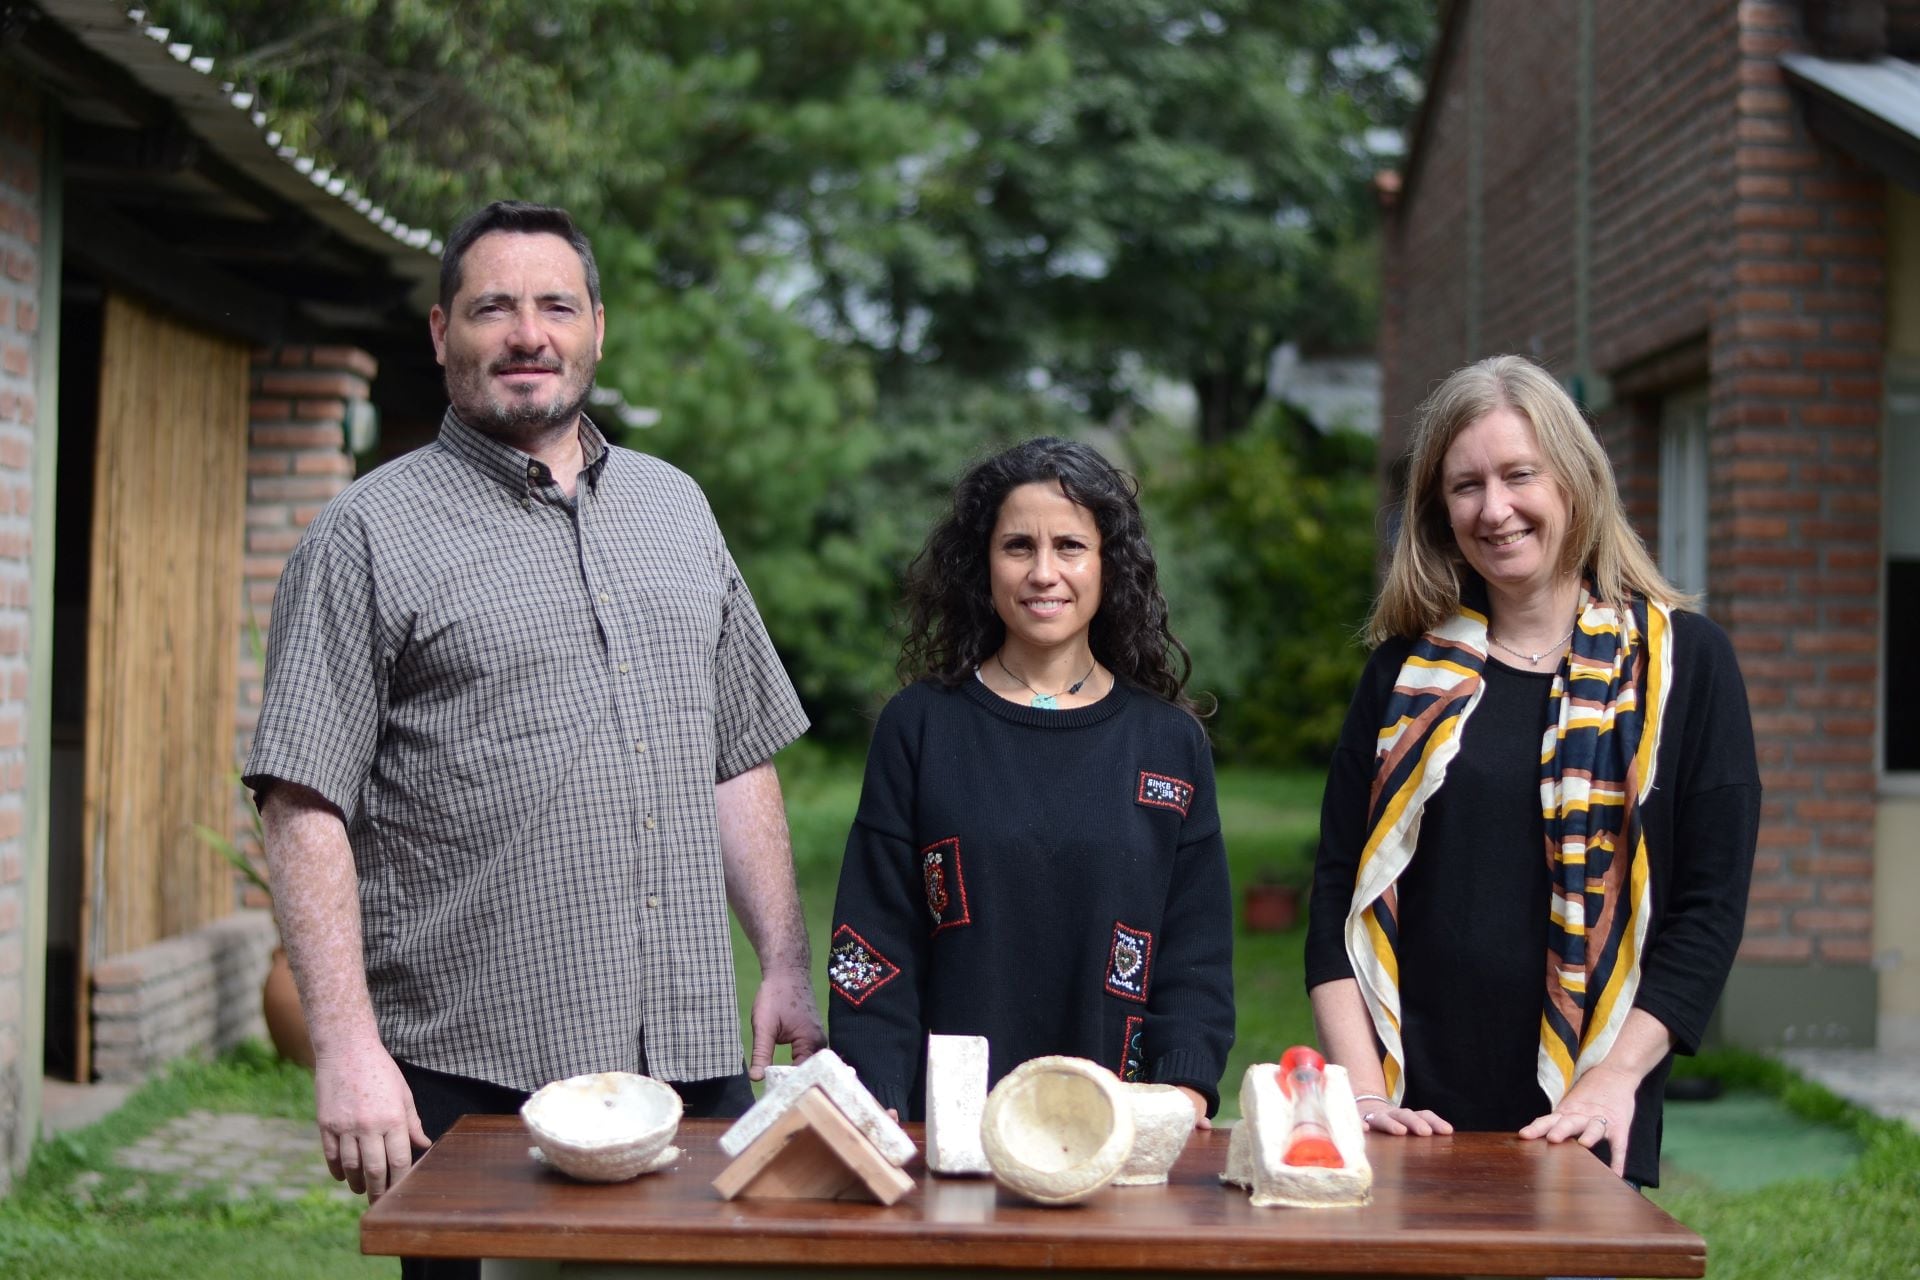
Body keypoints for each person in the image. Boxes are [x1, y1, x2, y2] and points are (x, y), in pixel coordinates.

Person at [244, 202, 823, 1239]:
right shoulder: (366, 535)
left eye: (556, 304)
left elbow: (737, 755)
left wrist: (781, 959)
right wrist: (346, 1048)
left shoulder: (676, 508)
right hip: (475, 1075)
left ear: (597, 326)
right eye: (492, 307)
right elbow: (301, 803)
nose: (528, 333)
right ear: (440, 334)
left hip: (692, 1062)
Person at [1306, 355, 1760, 1187]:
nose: (1495, 508)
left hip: (1581, 1111)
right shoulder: (1403, 676)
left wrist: (1615, 1080)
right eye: (1466, 485)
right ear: (1440, 512)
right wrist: (1366, 1099)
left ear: (1577, 482)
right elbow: (1338, 892)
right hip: (1410, 1114)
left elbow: (1708, 909)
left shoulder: (1684, 669)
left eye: (1520, 475)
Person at [827, 438, 1234, 1126]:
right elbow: (871, 944)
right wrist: (879, 1103)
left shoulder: (1167, 744)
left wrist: (1182, 1088)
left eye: (1070, 547)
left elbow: (1196, 952)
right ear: (982, 565)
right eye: (1019, 546)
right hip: (948, 1130)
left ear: (1109, 566)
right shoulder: (920, 727)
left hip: (1117, 1127)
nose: (1044, 572)